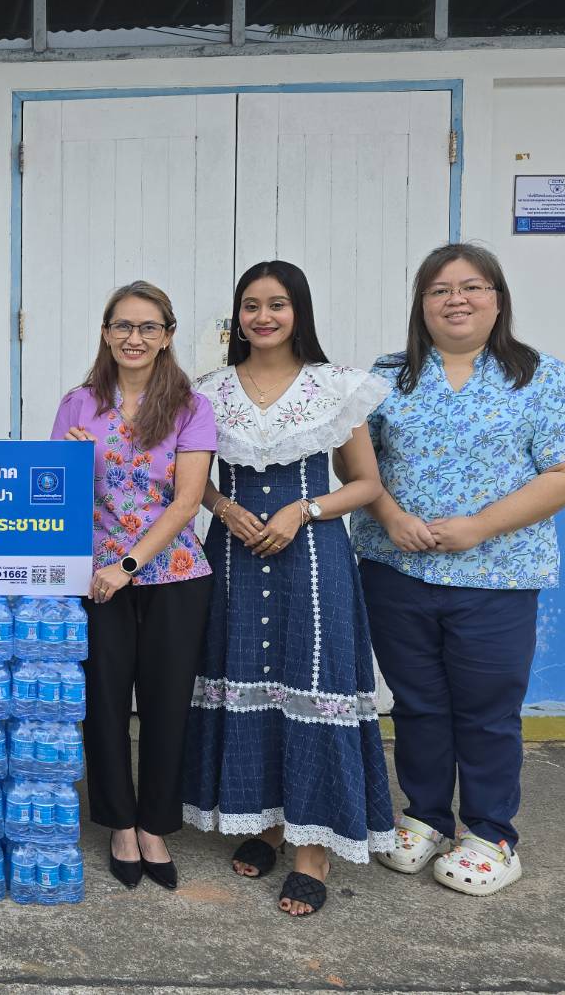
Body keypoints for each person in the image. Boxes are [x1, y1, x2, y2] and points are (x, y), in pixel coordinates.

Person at [353, 242, 565, 898]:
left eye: (472, 286)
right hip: (396, 571)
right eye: (438, 289)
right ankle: (424, 816)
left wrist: (480, 527)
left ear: (496, 297)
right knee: (418, 704)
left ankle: (490, 834)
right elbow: (358, 468)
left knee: (487, 711)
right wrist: (392, 514)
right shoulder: (385, 377)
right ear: (420, 303)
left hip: (497, 577)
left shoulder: (536, 375)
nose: (455, 299)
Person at [182, 260, 393, 918]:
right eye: (250, 305)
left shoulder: (337, 386)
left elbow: (366, 484)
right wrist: (220, 506)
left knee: (314, 680)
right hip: (234, 555)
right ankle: (267, 823)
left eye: (276, 304)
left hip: (312, 554)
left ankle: (312, 851)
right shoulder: (206, 390)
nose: (262, 316)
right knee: (243, 675)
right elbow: (185, 476)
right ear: (236, 317)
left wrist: (303, 510)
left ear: (298, 311)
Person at [49, 281, 216, 892]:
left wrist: (128, 566)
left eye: (148, 327)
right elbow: (54, 498)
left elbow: (188, 500)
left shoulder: (191, 408)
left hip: (171, 575)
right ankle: (119, 823)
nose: (134, 338)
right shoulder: (78, 403)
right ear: (105, 332)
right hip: (93, 579)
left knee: (169, 704)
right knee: (105, 702)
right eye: (122, 326)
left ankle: (155, 826)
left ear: (167, 335)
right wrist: (66, 462)